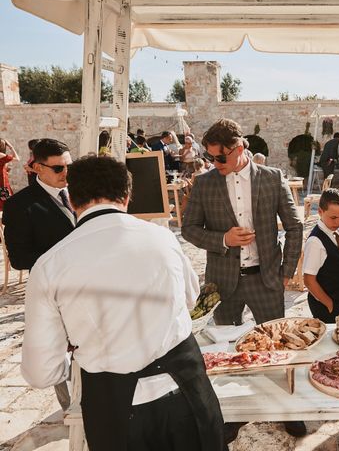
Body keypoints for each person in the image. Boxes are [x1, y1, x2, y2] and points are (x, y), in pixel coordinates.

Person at [20, 156, 226, 451]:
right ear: (128, 196)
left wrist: (76, 342)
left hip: (115, 413)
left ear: (73, 201)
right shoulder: (162, 237)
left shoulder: (50, 265)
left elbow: (41, 372)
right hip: (186, 395)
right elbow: (191, 298)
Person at [181, 119, 305, 437]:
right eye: (210, 158)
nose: (214, 164)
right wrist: (224, 239)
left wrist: (286, 272)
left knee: (278, 347)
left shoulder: (272, 177)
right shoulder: (205, 182)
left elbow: (294, 226)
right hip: (224, 281)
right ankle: (232, 414)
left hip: (266, 279)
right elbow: (189, 229)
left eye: (220, 158)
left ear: (238, 149)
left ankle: (286, 409)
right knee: (227, 351)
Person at [2, 138, 74, 410]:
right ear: (37, 168)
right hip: (52, 291)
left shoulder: (82, 193)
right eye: (58, 169)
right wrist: (63, 259)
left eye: (69, 167)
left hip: (89, 288)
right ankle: (71, 411)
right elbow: (19, 258)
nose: (65, 174)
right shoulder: (20, 205)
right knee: (60, 353)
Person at [303, 188, 339, 323]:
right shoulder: (315, 242)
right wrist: (329, 304)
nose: (338, 222)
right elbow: (309, 280)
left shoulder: (337, 231)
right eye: (333, 218)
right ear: (320, 212)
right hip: (325, 304)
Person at [0, 138, 20, 211]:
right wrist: (11, 147)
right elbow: (17, 159)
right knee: (5, 201)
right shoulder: (1, 155)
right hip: (1, 178)